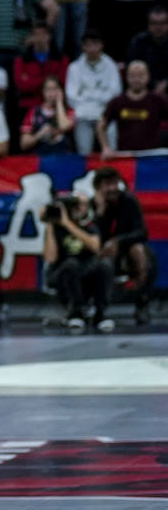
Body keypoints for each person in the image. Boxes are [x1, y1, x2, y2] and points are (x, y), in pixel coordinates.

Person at [93, 166, 156, 325]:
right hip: (101, 250)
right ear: (99, 188)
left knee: (141, 252)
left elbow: (142, 232)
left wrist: (118, 241)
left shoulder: (129, 200)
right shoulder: (92, 204)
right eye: (107, 185)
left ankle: (142, 301)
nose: (112, 188)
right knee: (101, 261)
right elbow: (92, 235)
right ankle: (98, 309)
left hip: (126, 247)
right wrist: (100, 213)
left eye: (115, 183)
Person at [42, 193, 113, 332]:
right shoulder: (56, 229)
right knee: (71, 264)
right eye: (75, 205)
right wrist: (50, 224)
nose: (79, 209)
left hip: (87, 272)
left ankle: (100, 313)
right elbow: (50, 258)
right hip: (62, 274)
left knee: (105, 264)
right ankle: (76, 312)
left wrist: (67, 224)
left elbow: (95, 246)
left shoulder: (90, 225)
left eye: (82, 205)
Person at [65, 29, 122, 153]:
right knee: (84, 153)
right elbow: (71, 97)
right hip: (83, 115)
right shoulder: (74, 68)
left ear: (101, 45)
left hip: (105, 114)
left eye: (95, 44)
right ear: (83, 46)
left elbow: (115, 94)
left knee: (111, 148)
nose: (91, 48)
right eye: (88, 44)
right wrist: (99, 96)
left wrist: (87, 94)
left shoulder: (111, 66)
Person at [97, 60, 168, 156]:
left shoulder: (158, 100)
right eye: (133, 76)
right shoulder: (117, 102)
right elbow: (101, 125)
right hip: (125, 157)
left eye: (140, 75)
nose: (136, 79)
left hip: (151, 157)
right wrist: (105, 147)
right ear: (126, 77)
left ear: (148, 76)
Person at [19, 76, 76, 154]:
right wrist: (39, 135)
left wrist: (59, 102)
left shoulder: (69, 111)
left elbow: (64, 126)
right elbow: (23, 144)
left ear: (61, 91)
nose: (51, 93)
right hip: (41, 158)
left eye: (55, 89)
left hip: (63, 157)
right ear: (42, 92)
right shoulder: (34, 112)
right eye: (48, 89)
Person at [125, 7, 168, 94]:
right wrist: (154, 83)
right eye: (154, 23)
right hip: (143, 87)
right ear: (148, 24)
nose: (158, 27)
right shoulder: (138, 42)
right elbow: (131, 68)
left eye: (162, 23)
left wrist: (166, 83)